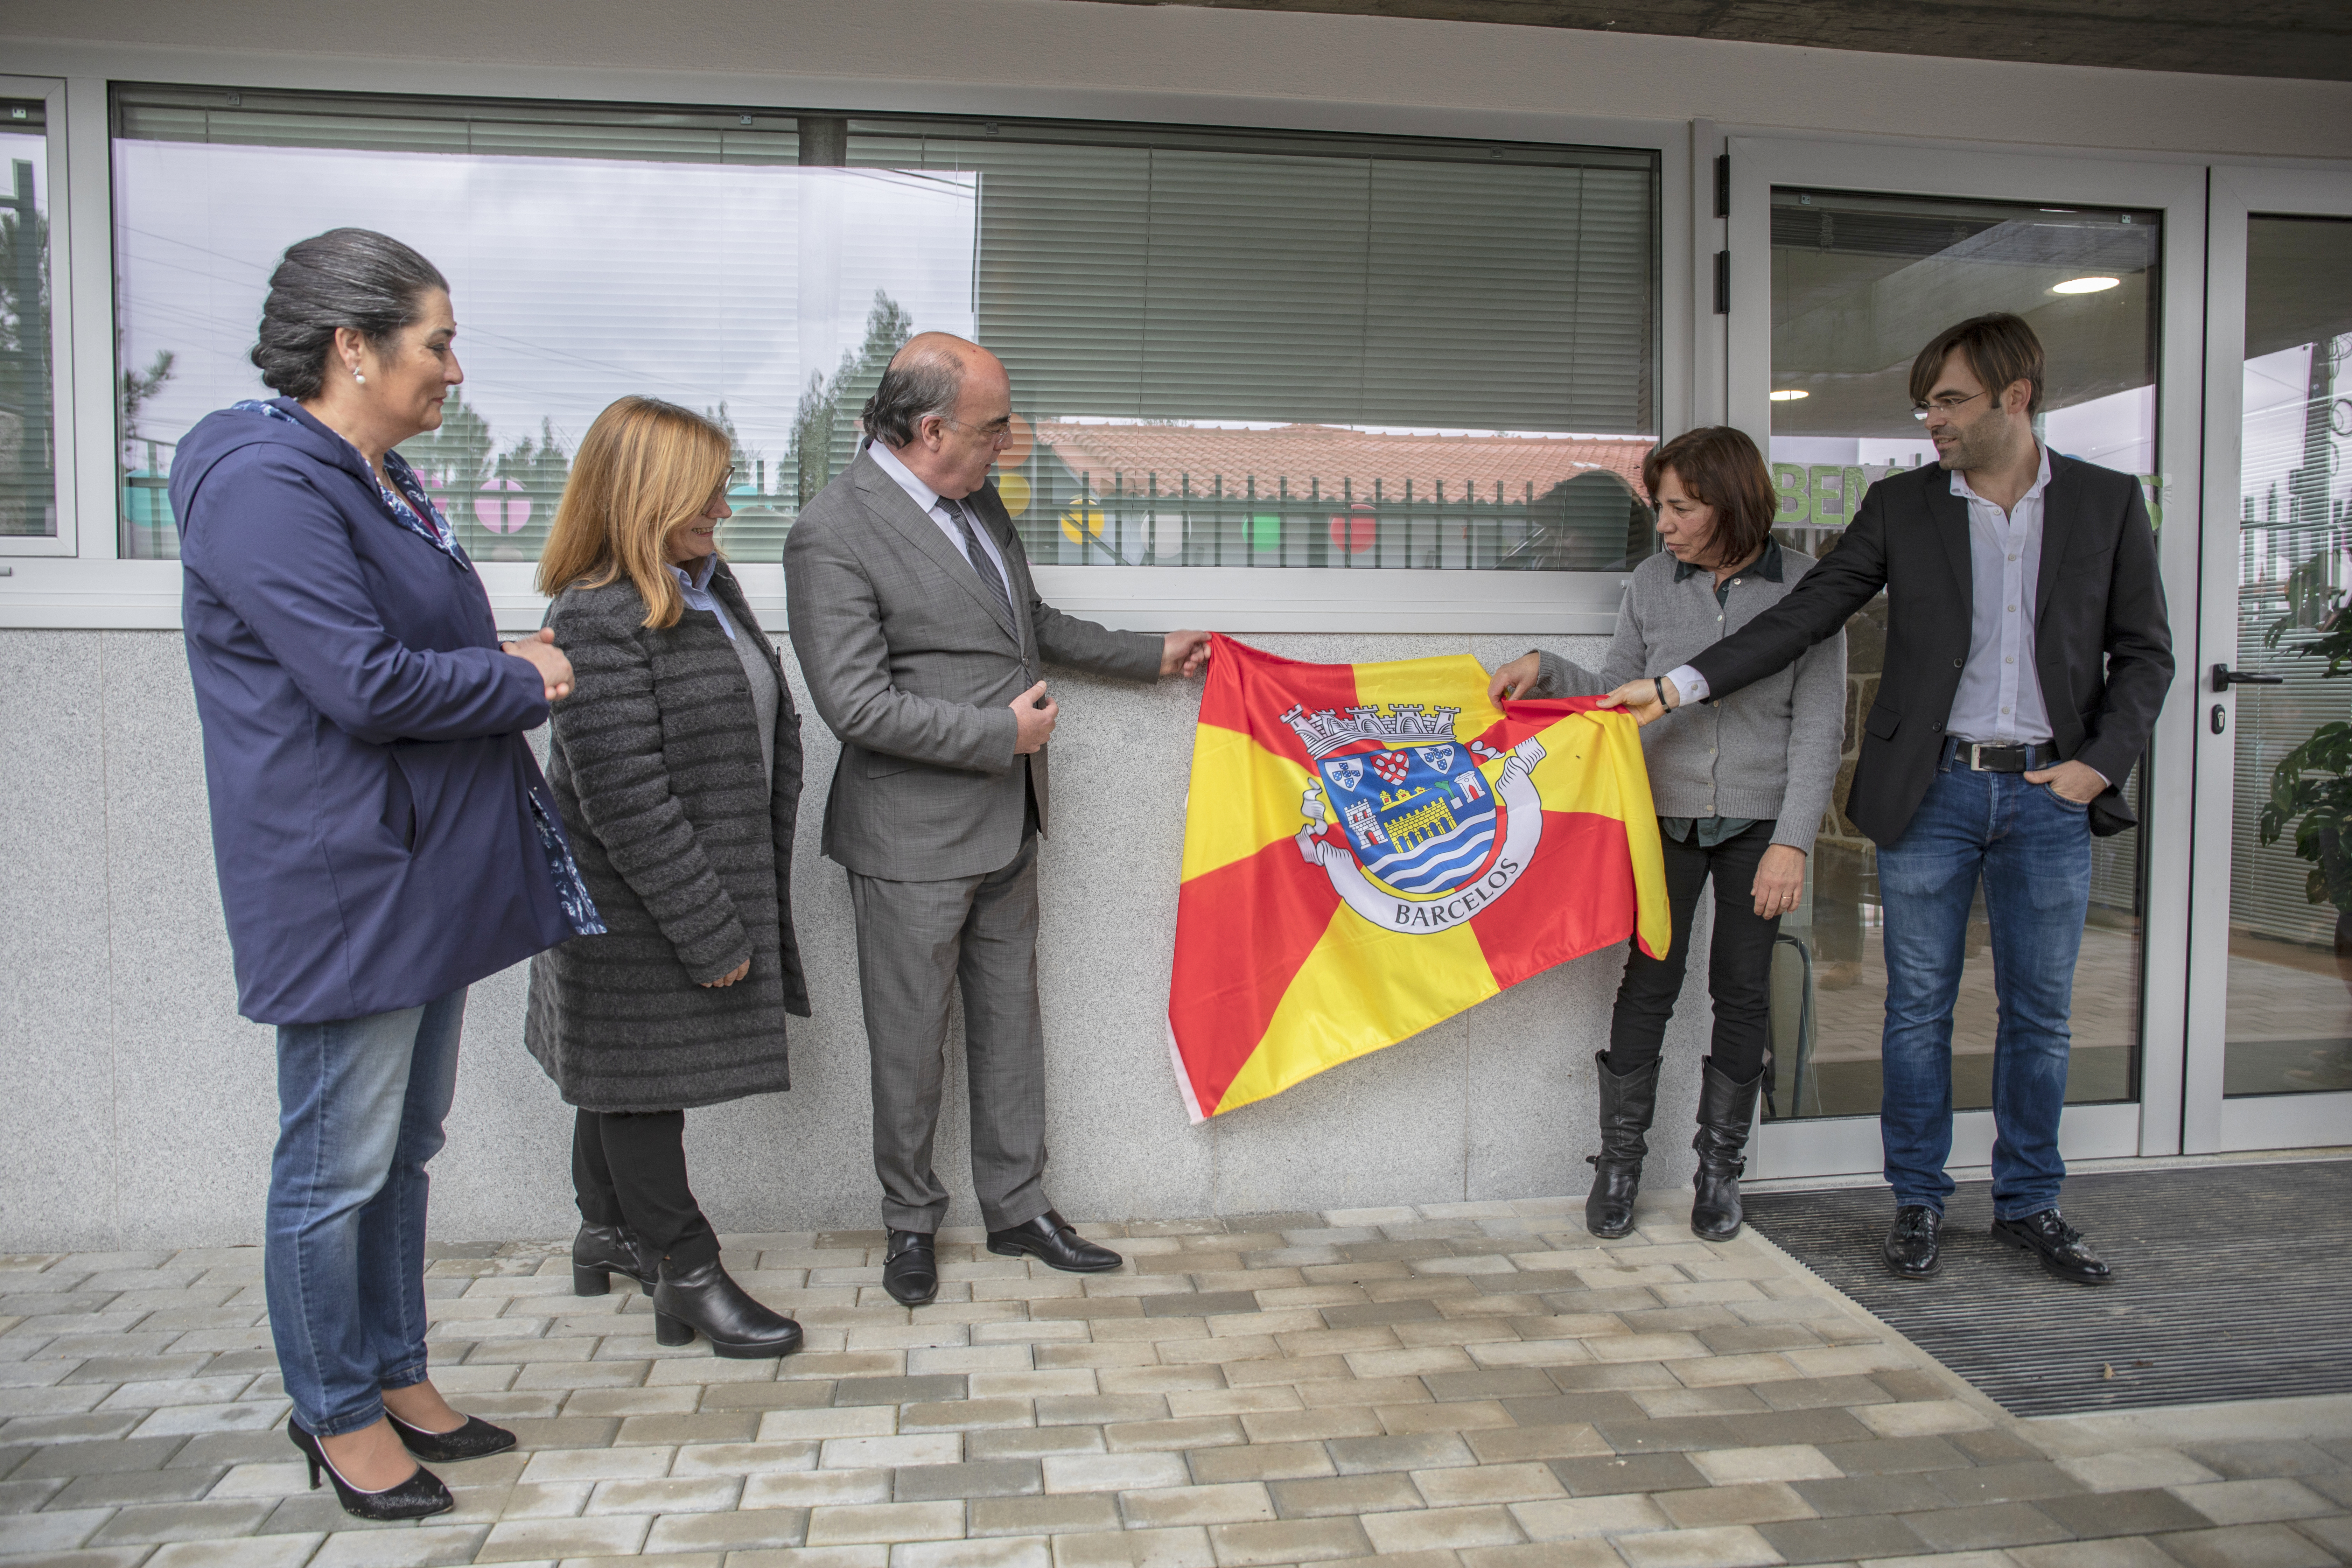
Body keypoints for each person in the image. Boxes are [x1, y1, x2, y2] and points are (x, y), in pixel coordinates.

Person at [1603, 314, 2172, 1285]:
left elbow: (2147, 653)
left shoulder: (2109, 504)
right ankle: (1917, 1203)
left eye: (1949, 400)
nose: (1932, 419)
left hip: (2049, 792)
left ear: (2016, 396)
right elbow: (1807, 613)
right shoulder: (1902, 506)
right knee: (1917, 1011)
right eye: (1928, 403)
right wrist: (1677, 686)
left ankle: (2030, 1205)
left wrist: (2100, 764)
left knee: (2040, 1016)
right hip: (1935, 791)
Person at [172, 229, 596, 1521]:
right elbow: (360, 682)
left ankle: (396, 1373)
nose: (455, 370)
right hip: (349, 876)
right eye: (438, 341)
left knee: (403, 1147)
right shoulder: (265, 483)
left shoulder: (366, 473)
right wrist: (525, 675)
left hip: (423, 870)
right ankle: (336, 1411)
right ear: (350, 347)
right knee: (335, 1162)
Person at [785, 333, 1212, 1308]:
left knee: (1010, 1028)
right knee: (909, 1041)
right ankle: (909, 1225)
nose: (1007, 445)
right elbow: (853, 705)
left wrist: (1152, 653)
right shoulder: (831, 532)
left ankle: (1020, 1211)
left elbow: (1031, 623)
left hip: (1008, 825)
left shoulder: (975, 501)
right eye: (992, 430)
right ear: (930, 430)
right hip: (908, 839)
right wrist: (996, 734)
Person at [1489, 427, 1843, 1243]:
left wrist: (1794, 839)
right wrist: (1545, 668)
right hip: (1662, 817)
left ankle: (1719, 1171)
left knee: (1743, 989)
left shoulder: (1806, 589)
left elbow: (1821, 729)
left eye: (1680, 506)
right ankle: (1620, 1165)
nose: (1666, 523)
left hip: (1760, 825)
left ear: (1730, 499)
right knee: (1649, 984)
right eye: (1662, 506)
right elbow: (1622, 693)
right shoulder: (1653, 582)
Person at [527, 396, 810, 1359]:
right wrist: (710, 930)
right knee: (642, 1084)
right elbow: (625, 796)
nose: (722, 511)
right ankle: (685, 1268)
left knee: (625, 1072)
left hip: (685, 884)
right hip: (632, 903)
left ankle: (607, 1229)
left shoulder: (703, 584)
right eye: (707, 494)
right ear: (646, 496)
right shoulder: (597, 618)